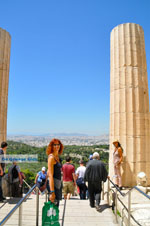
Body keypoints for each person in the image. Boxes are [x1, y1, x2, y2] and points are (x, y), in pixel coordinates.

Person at [46, 138, 63, 207]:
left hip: (57, 184)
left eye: (58, 144)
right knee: (52, 209)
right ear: (51, 146)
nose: (57, 146)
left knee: (56, 209)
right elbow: (50, 175)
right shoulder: (51, 158)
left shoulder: (57, 156)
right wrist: (52, 192)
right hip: (53, 186)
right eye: (54, 145)